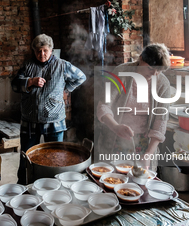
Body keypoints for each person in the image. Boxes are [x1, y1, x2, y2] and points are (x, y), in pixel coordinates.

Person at [11, 34, 86, 184]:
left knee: (55, 157)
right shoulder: (28, 66)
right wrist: (30, 81)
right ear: (34, 51)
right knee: (26, 156)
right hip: (30, 121)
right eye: (38, 51)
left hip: (55, 120)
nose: (42, 54)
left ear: (51, 50)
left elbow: (80, 77)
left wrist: (66, 89)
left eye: (45, 50)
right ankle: (23, 185)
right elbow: (14, 85)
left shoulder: (62, 65)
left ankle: (53, 186)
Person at [96, 43, 171, 171]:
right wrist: (115, 127)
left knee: (140, 182)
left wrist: (148, 154)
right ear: (141, 59)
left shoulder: (162, 84)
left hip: (144, 143)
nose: (154, 73)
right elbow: (104, 105)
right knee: (112, 178)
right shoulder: (121, 72)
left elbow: (160, 122)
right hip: (115, 137)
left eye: (159, 70)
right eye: (150, 68)